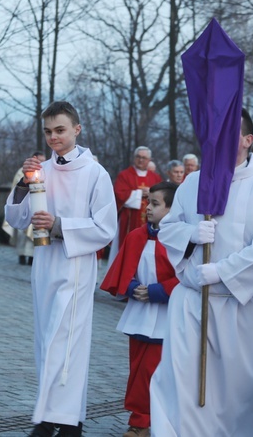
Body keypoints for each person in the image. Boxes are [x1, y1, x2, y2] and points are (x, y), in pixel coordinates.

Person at [150, 109, 253, 436]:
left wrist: (222, 272)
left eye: (226, 134)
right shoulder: (195, 182)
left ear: (247, 140)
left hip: (243, 308)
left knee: (238, 401)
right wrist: (191, 234)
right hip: (192, 305)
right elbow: (167, 228)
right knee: (179, 394)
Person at [5, 101, 117, 437]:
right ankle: (61, 416)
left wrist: (59, 226)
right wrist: (25, 184)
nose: (53, 137)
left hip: (75, 265)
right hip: (44, 265)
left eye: (60, 130)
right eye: (48, 131)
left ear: (77, 130)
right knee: (45, 337)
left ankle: (60, 420)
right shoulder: (43, 171)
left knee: (65, 341)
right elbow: (17, 218)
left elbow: (105, 227)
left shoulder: (95, 173)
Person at [100, 182, 178, 437]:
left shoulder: (180, 239)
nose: (148, 208)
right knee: (137, 369)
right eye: (148, 203)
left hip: (168, 315)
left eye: (156, 204)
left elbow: (188, 275)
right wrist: (133, 286)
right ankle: (139, 421)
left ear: (171, 208)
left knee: (153, 371)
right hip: (140, 314)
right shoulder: (136, 235)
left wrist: (158, 291)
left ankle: (149, 421)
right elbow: (125, 269)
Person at [114, 147, 162, 249]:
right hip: (130, 219)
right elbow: (119, 195)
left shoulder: (155, 177)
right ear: (134, 158)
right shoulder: (124, 175)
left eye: (144, 158)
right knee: (129, 247)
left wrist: (152, 193)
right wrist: (140, 193)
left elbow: (162, 197)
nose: (141, 160)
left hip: (151, 219)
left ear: (149, 160)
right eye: (138, 157)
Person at [4, 152, 45, 265]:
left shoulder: (46, 171)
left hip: (39, 208)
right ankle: (22, 255)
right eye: (39, 160)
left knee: (34, 235)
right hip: (26, 207)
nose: (40, 163)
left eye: (43, 161)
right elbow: (17, 187)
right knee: (23, 235)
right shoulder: (22, 171)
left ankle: (32, 257)